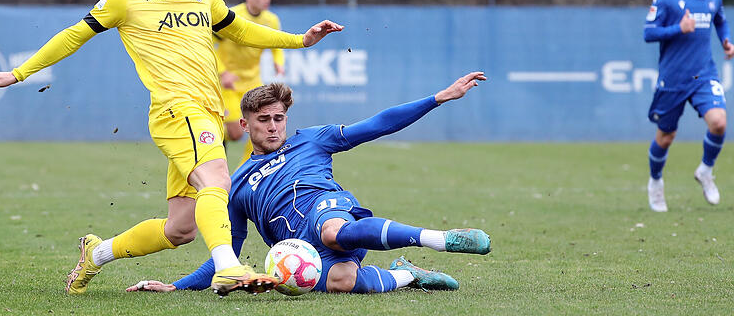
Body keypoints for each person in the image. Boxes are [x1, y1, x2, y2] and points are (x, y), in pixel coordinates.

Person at [0, 0, 343, 296]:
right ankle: (229, 268)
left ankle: (95, 254)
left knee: (180, 229)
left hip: (206, 112)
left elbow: (241, 30)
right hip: (176, 110)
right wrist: (18, 73)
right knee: (217, 180)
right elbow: (73, 36)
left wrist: (300, 40)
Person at [125, 72, 491, 294]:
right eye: (264, 119)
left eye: (279, 118)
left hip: (332, 216)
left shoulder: (313, 139)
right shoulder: (234, 186)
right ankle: (405, 275)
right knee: (344, 281)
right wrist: (177, 285)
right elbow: (228, 254)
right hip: (303, 252)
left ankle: (442, 240)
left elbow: (377, 123)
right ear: (244, 125)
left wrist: (438, 99)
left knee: (332, 230)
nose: (273, 126)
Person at [643, 0, 734, 212]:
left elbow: (720, 19)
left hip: (703, 75)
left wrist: (726, 41)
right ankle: (656, 182)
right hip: (673, 78)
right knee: (665, 136)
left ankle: (706, 170)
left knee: (719, 122)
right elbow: (648, 33)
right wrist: (677, 29)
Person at [215, 0, 283, 165]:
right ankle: (210, 140)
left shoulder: (272, 20)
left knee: (260, 128)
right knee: (236, 133)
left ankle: (244, 172)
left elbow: (276, 45)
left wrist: (279, 62)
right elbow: (209, 44)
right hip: (228, 84)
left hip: (253, 84)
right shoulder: (232, 16)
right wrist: (222, 72)